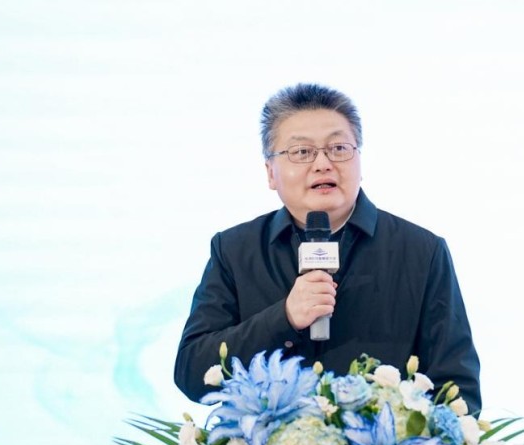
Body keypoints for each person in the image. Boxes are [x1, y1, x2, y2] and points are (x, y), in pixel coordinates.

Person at [174, 83, 481, 413]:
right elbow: (193, 373)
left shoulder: (421, 251)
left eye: (338, 148)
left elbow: (457, 390)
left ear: (359, 161)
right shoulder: (235, 251)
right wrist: (284, 318)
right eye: (301, 152)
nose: (322, 163)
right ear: (271, 173)